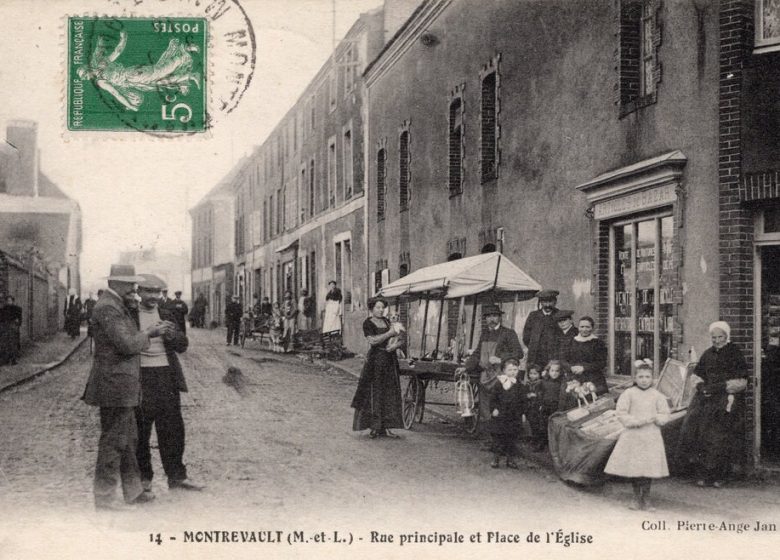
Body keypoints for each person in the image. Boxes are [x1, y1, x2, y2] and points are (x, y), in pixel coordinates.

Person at [82, 264, 167, 510]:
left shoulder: (117, 304)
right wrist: (150, 333)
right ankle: (105, 498)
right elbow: (128, 345)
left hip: (121, 385)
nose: (134, 289)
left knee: (129, 440)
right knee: (113, 442)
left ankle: (134, 491)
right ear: (116, 284)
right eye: (130, 284)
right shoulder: (109, 307)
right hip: (114, 385)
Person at [134, 274, 203, 493]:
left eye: (156, 292)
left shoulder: (167, 313)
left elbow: (183, 345)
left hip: (166, 376)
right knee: (141, 431)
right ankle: (144, 480)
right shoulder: (130, 315)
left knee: (173, 429)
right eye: (148, 291)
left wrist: (173, 335)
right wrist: (148, 333)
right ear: (139, 292)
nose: (153, 296)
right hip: (140, 376)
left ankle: (177, 477)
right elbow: (125, 344)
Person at [676, 321, 748, 488]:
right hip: (705, 399)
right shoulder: (708, 354)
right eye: (714, 337)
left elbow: (742, 380)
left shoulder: (734, 353)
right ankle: (702, 473)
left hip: (725, 399)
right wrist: (701, 386)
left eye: (720, 337)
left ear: (726, 336)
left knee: (719, 437)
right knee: (699, 432)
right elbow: (697, 374)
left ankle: (720, 475)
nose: (716, 340)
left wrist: (718, 388)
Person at [77, 30, 201, 112]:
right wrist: (130, 105)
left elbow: (117, 52)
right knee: (160, 82)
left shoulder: (101, 65)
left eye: (84, 74)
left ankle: (185, 50)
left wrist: (123, 39)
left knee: (160, 71)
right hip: (133, 82)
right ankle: (190, 76)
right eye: (83, 77)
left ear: (87, 69)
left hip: (133, 74)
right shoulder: (100, 81)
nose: (85, 78)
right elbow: (116, 93)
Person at [604, 360, 671, 511]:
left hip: (651, 435)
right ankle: (635, 497)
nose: (644, 380)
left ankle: (646, 498)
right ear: (635, 378)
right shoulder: (629, 394)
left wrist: (659, 419)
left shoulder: (657, 395)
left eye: (647, 377)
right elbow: (621, 412)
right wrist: (635, 421)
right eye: (640, 377)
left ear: (652, 379)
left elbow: (664, 412)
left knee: (648, 467)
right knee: (635, 466)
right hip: (633, 434)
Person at [351, 297, 405, 439]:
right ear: (372, 309)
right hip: (376, 361)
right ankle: (374, 427)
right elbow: (373, 341)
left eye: (383, 308)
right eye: (378, 307)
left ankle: (386, 427)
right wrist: (389, 334)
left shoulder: (388, 321)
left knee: (389, 392)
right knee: (375, 392)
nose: (381, 310)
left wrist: (395, 345)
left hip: (390, 360)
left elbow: (400, 338)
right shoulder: (368, 323)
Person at [464, 303, 524, 424]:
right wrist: (465, 367)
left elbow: (519, 353)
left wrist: (501, 359)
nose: (491, 319)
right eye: (489, 316)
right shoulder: (485, 333)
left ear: (499, 318)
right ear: (485, 319)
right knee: (485, 404)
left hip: (502, 374)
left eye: (494, 316)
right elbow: (477, 353)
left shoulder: (508, 333)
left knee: (501, 403)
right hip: (486, 374)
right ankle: (489, 430)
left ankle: (502, 431)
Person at [488, 358, 526, 469]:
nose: (513, 372)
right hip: (501, 415)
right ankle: (496, 458)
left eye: (515, 369)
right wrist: (494, 409)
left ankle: (511, 460)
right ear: (504, 371)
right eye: (510, 370)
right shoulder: (499, 383)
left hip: (514, 416)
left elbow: (523, 400)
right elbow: (493, 398)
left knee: (512, 438)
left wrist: (523, 413)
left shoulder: (519, 385)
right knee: (498, 438)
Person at [562, 316, 608, 400]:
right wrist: (571, 368)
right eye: (582, 327)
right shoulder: (570, 342)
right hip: (574, 378)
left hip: (593, 379)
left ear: (592, 328)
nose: (584, 329)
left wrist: (584, 368)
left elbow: (602, 363)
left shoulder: (598, 343)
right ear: (578, 327)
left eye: (587, 327)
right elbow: (563, 360)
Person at [522, 289, 560, 371]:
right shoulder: (533, 316)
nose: (547, 305)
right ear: (541, 303)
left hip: (553, 357)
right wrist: (534, 346)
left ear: (555, 302)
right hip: (535, 357)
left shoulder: (559, 315)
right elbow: (526, 337)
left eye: (550, 302)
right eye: (544, 302)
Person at [538, 359, 567, 449]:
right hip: (545, 405)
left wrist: (560, 409)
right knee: (543, 424)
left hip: (555, 407)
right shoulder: (544, 381)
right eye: (552, 371)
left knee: (554, 425)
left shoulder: (561, 383)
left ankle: (554, 444)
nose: (554, 373)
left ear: (560, 372)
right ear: (548, 371)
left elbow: (562, 397)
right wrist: (540, 404)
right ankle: (542, 441)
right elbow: (541, 393)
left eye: (557, 371)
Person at [524, 363, 545, 451]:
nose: (532, 376)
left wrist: (535, 395)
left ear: (539, 375)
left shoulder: (540, 383)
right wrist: (526, 395)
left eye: (535, 374)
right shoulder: (527, 383)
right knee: (531, 422)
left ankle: (539, 441)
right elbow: (524, 393)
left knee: (537, 423)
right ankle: (533, 437)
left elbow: (542, 394)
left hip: (537, 406)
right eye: (531, 373)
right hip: (529, 406)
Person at [0, 295, 23, 365]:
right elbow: (1, 319)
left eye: (10, 301)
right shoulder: (3, 309)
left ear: (13, 301)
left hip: (13, 328)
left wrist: (17, 325)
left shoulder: (17, 309)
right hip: (5, 328)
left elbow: (20, 319)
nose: (8, 302)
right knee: (4, 344)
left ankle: (13, 360)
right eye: (7, 301)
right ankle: (5, 360)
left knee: (13, 344)